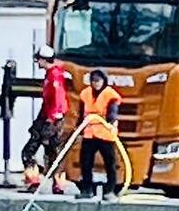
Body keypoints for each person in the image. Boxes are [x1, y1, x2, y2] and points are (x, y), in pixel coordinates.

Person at [21, 45, 70, 193]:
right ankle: (57, 184)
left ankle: (34, 181)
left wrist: (51, 120)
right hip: (50, 118)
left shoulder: (53, 76)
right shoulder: (55, 74)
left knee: (29, 152)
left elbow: (57, 99)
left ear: (43, 59)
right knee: (52, 152)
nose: (37, 63)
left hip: (51, 120)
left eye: (38, 60)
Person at [78, 68, 123, 198]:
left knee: (110, 164)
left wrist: (111, 122)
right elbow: (81, 113)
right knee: (85, 163)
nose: (96, 83)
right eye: (93, 81)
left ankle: (109, 190)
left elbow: (112, 113)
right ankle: (87, 189)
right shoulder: (85, 94)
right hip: (89, 133)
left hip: (105, 134)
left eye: (98, 81)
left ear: (104, 81)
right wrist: (79, 129)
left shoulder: (110, 95)